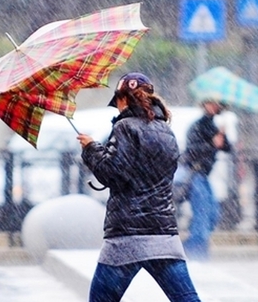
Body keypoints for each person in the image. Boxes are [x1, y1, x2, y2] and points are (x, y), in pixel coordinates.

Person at [77, 72, 201, 302]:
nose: (117, 109)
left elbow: (113, 174)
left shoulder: (124, 127)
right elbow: (147, 172)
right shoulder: (166, 130)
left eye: (117, 102)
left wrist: (91, 149)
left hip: (127, 236)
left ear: (123, 99)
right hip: (163, 234)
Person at [181, 100, 231, 261]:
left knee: (212, 214)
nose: (214, 107)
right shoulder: (198, 126)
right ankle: (195, 252)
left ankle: (192, 247)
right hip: (195, 174)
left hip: (203, 176)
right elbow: (193, 151)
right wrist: (212, 143)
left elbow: (227, 147)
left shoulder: (213, 126)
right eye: (210, 103)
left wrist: (222, 136)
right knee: (202, 215)